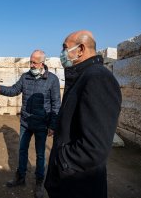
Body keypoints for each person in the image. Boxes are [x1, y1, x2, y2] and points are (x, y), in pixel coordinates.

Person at [44, 30, 122, 198]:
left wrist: (62, 161)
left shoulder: (98, 78)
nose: (62, 54)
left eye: (65, 48)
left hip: (77, 184)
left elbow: (95, 146)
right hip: (71, 181)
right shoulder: (82, 76)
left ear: (80, 49)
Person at [0, 50, 61, 198]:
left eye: (34, 63)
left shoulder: (53, 80)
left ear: (42, 63)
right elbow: (15, 90)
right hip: (25, 122)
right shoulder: (25, 77)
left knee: (40, 155)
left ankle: (39, 182)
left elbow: (56, 105)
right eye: (30, 62)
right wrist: (1, 90)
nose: (31, 65)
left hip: (42, 124)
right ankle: (20, 177)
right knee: (22, 151)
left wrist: (53, 126)